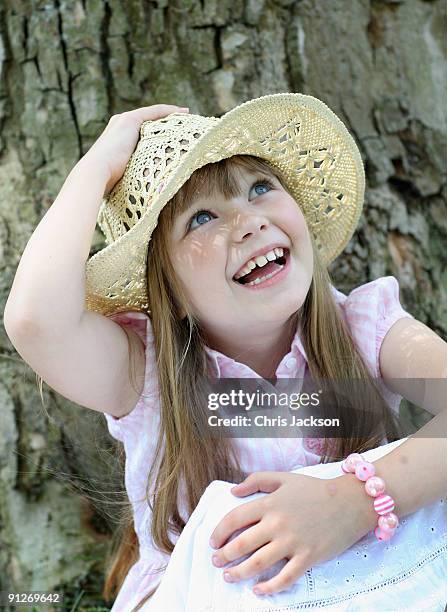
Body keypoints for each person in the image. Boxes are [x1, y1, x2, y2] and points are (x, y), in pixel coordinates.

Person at [3, 94, 447, 612]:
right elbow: (33, 320)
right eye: (202, 218)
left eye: (261, 188)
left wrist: (352, 502)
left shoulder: (363, 328)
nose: (249, 220)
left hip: (366, 579)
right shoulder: (145, 370)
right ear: (168, 289)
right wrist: (98, 165)